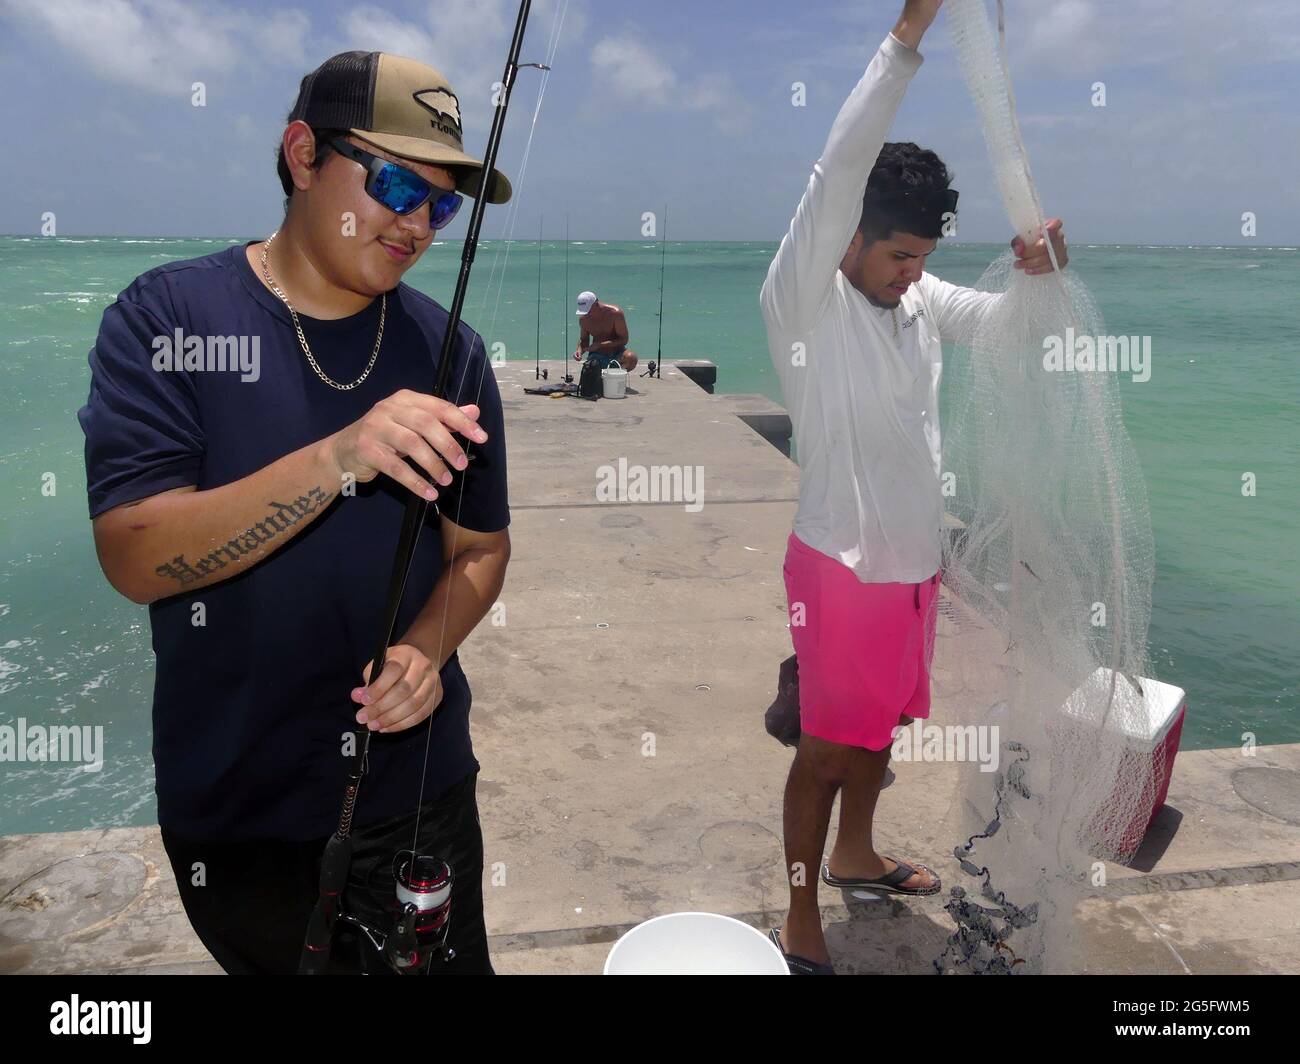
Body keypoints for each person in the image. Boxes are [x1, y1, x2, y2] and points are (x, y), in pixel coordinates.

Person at [77, 50, 514, 974]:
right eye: (396, 181)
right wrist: (337, 457)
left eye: (443, 203)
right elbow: (134, 557)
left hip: (418, 790)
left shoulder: (454, 353)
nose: (417, 222)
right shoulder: (166, 323)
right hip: (238, 808)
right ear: (303, 153)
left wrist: (428, 649)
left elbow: (479, 549)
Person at [759, 0, 1068, 975]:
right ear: (848, 236)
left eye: (923, 259)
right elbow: (834, 170)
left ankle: (857, 850)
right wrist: (906, 40)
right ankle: (801, 908)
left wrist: (1041, 279)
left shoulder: (918, 299)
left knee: (882, 731)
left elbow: (1011, 330)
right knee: (823, 750)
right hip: (838, 564)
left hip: (911, 563)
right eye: (898, 254)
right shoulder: (801, 296)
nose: (910, 275)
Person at [573, 290, 638, 370]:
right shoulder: (583, 319)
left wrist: (600, 344)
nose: (587, 313)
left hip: (617, 352)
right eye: (584, 311)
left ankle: (616, 375)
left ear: (596, 303)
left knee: (631, 358)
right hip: (597, 354)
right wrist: (579, 351)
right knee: (591, 369)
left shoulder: (615, 314)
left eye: (589, 310)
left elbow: (624, 340)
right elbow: (584, 340)